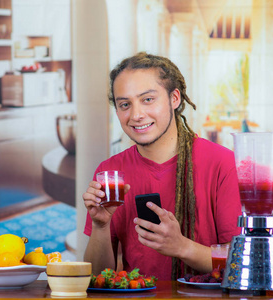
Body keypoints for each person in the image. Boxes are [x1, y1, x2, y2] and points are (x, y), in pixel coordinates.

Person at [83, 52, 242, 281]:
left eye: (148, 99)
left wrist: (182, 247)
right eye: (125, 104)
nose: (136, 115)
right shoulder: (111, 173)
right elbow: (98, 277)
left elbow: (240, 261)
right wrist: (100, 226)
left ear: (174, 98)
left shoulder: (222, 163)